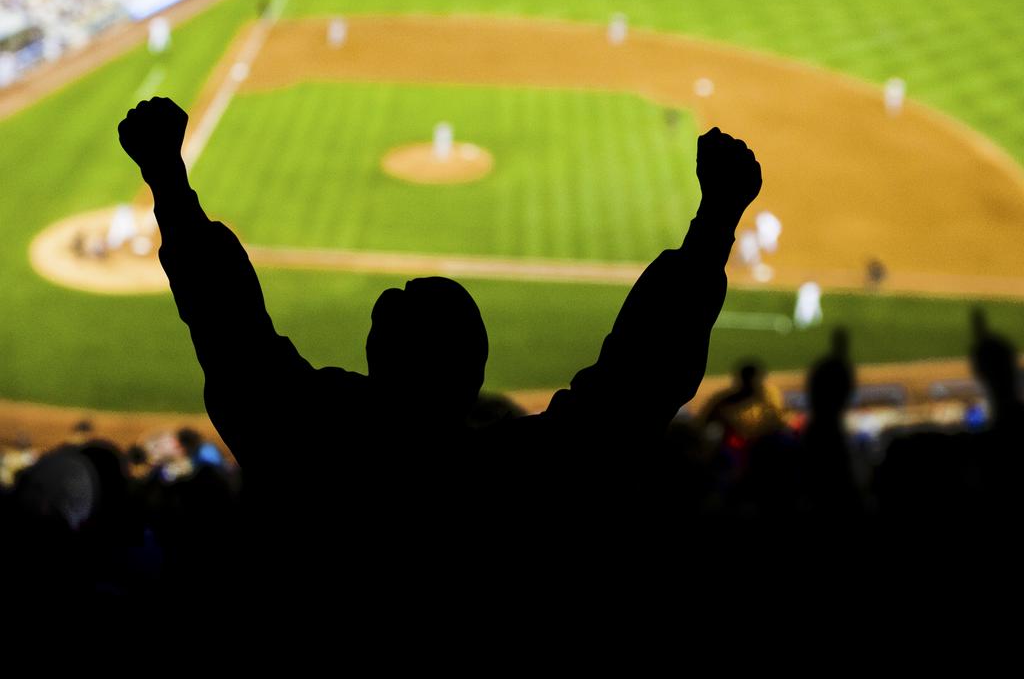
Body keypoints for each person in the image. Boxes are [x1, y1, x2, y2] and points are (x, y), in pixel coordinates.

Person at [118, 97, 762, 590]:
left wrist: (168, 179)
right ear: (476, 375)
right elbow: (632, 393)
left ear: (371, 361)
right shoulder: (521, 480)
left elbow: (232, 335)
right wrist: (714, 222)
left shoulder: (303, 448)